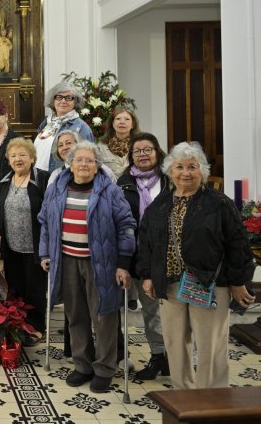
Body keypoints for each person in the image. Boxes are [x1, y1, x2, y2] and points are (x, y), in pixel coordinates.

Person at [137, 141, 254, 389]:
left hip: (209, 283)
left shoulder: (218, 203)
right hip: (170, 284)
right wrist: (147, 275)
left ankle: (212, 393)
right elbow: (146, 242)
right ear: (170, 171)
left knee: (210, 342)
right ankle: (184, 392)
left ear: (202, 171)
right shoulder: (159, 205)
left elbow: (238, 243)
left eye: (192, 167)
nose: (186, 173)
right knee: (175, 341)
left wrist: (238, 282)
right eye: (179, 167)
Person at [39, 141, 136, 393]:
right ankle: (82, 365)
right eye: (79, 159)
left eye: (89, 160)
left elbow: (126, 225)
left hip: (101, 263)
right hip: (67, 260)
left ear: (97, 166)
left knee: (104, 317)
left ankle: (104, 368)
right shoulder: (57, 188)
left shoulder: (109, 190)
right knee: (76, 315)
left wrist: (123, 264)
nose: (84, 164)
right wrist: (45, 253)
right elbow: (45, 222)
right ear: (70, 164)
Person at [117, 132, 171, 380]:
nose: (143, 154)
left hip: (167, 255)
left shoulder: (170, 180)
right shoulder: (123, 182)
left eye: (147, 149)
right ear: (131, 155)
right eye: (137, 151)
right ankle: (158, 357)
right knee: (150, 310)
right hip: (136, 255)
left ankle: (174, 357)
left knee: (168, 311)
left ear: (157, 152)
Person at [0, 137, 46, 339]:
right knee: (15, 285)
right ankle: (17, 325)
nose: (18, 159)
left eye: (23, 155)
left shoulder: (42, 179)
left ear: (32, 158)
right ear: (8, 160)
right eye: (13, 155)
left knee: (35, 287)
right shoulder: (4, 181)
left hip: (35, 243)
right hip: (10, 243)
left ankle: (36, 326)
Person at [34, 81, 94, 173]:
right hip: (40, 174)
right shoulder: (48, 122)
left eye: (68, 98)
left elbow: (89, 157)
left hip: (64, 176)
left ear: (75, 102)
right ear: (53, 100)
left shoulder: (82, 127)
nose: (63, 101)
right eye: (59, 97)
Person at [98, 107, 140, 178]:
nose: (122, 122)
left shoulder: (140, 145)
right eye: (118, 119)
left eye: (127, 119)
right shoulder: (101, 146)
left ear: (133, 124)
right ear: (112, 123)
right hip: (109, 184)